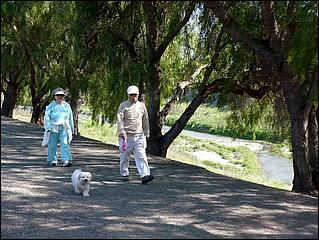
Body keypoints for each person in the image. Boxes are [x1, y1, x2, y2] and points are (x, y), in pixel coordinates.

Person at [117, 85, 154, 184]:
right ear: (128, 95)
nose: (134, 97)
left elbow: (145, 119)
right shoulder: (123, 105)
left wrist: (146, 132)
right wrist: (121, 131)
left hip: (139, 135)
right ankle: (124, 173)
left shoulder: (141, 106)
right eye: (131, 95)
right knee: (125, 156)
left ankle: (145, 175)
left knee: (141, 155)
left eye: (135, 95)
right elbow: (119, 119)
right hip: (126, 136)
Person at [43, 87, 74, 167]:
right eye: (58, 95)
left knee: (65, 143)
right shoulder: (51, 106)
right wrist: (48, 127)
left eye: (62, 95)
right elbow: (47, 116)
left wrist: (72, 128)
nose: (60, 97)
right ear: (55, 96)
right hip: (53, 127)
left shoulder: (67, 105)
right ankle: (53, 159)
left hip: (64, 127)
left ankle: (66, 160)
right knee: (52, 144)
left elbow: (70, 117)